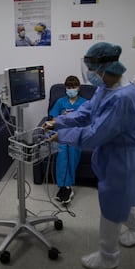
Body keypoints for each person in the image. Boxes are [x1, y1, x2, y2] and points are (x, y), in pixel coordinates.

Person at [44, 42, 135, 269]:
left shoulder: (122, 98)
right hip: (115, 153)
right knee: (120, 199)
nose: (89, 74)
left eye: (92, 68)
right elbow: (86, 112)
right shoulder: (105, 89)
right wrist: (58, 121)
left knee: (112, 205)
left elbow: (94, 135)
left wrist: (61, 135)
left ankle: (108, 257)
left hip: (125, 158)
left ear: (105, 68)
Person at [48, 76, 87, 204]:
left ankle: (66, 186)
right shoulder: (60, 102)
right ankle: (64, 186)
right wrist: (60, 119)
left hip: (76, 133)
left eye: (74, 87)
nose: (71, 89)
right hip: (62, 132)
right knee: (62, 150)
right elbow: (53, 120)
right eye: (69, 87)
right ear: (66, 88)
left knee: (72, 149)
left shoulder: (85, 103)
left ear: (78, 88)